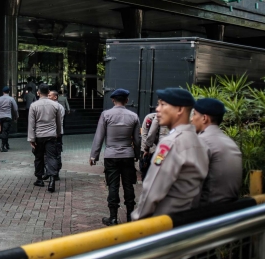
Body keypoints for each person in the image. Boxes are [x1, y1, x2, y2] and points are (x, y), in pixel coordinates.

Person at [131, 88, 209, 220]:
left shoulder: (170, 143)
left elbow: (152, 189)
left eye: (163, 104)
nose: (157, 109)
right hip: (187, 218)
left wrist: (137, 220)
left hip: (165, 221)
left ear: (179, 110)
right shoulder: (200, 142)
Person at [89, 89, 141, 225]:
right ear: (126, 100)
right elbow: (137, 139)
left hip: (111, 155)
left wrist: (94, 156)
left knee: (113, 185)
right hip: (128, 155)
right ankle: (130, 217)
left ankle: (113, 218)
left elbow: (99, 136)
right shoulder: (133, 116)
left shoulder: (106, 115)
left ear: (113, 100)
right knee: (129, 185)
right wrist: (136, 154)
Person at [191, 98, 242, 206]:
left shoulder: (201, 142)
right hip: (230, 210)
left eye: (194, 114)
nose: (192, 119)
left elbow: (194, 186)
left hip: (208, 213)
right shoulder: (230, 142)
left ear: (204, 118)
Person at [27, 84, 62, 192]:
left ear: (38, 92)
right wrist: (58, 133)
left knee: (39, 157)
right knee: (51, 157)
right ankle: (52, 179)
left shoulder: (34, 105)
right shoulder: (55, 105)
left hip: (39, 135)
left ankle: (39, 179)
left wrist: (31, 139)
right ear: (48, 92)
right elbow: (58, 122)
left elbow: (31, 124)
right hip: (51, 135)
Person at [140, 113, 169, 181]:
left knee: (151, 170)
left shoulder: (157, 116)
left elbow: (149, 134)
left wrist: (147, 149)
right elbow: (146, 136)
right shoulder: (150, 118)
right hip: (162, 151)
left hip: (159, 151)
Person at [0, 86, 19, 152]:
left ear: (3, 92)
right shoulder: (11, 99)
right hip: (7, 116)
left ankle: (6, 144)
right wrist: (16, 116)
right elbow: (15, 108)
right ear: (9, 92)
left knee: (4, 132)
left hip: (0, 117)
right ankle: (2, 146)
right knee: (5, 131)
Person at [48, 90, 64, 180]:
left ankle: (55, 172)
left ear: (55, 97)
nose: (48, 97)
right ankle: (53, 172)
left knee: (56, 153)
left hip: (57, 133)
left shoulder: (59, 107)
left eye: (50, 95)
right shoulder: (52, 106)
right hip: (53, 132)